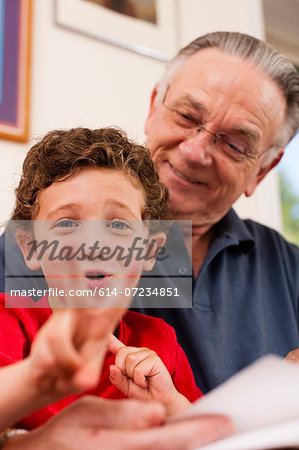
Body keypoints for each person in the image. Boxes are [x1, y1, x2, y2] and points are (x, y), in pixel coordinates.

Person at [0, 127, 201, 433]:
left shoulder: (160, 340)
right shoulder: (10, 319)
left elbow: (206, 435)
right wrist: (33, 381)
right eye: (67, 223)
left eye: (118, 224)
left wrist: (171, 405)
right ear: (31, 247)